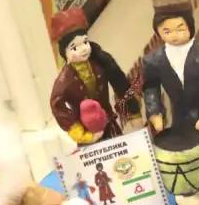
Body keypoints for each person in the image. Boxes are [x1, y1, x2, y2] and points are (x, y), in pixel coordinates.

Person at [142, 0, 199, 146]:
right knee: (187, 153)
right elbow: (150, 87)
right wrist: (154, 112)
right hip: (180, 119)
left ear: (190, 26)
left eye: (180, 29)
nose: (174, 36)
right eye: (166, 31)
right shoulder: (154, 60)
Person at [47, 7, 134, 144]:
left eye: (85, 42)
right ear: (65, 53)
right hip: (88, 133)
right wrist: (77, 131)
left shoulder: (100, 63)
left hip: (109, 124)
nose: (83, 49)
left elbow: (119, 81)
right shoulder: (65, 79)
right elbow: (57, 104)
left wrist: (132, 112)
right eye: (74, 47)